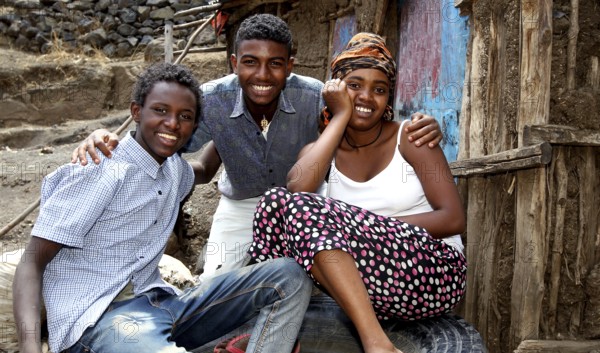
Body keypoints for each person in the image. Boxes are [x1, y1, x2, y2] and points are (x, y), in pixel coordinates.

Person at [13, 63, 312, 353]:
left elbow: (202, 169)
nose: (173, 124)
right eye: (160, 111)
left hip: (159, 303)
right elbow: (31, 264)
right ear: (136, 112)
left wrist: (242, 118)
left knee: (288, 276)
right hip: (96, 323)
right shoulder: (98, 169)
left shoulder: (172, 170)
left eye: (186, 117)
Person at [71, 14, 444, 277]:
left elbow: (363, 122)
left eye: (275, 64)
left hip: (305, 208)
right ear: (234, 62)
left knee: (299, 284)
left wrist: (424, 123)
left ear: (290, 64)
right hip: (241, 204)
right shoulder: (210, 101)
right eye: (250, 62)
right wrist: (111, 142)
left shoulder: (315, 97)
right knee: (214, 283)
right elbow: (163, 138)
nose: (263, 75)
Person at [246, 33, 467, 353]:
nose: (367, 97)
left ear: (388, 99)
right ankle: (272, 328)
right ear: (334, 90)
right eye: (354, 86)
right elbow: (297, 188)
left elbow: (453, 218)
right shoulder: (320, 151)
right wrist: (341, 116)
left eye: (379, 89)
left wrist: (362, 230)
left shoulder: (411, 138)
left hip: (432, 273)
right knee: (275, 202)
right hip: (372, 280)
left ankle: (380, 348)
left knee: (304, 209)